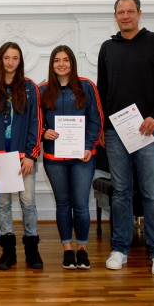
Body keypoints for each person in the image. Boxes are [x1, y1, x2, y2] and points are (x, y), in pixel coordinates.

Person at [97, 0, 154, 276]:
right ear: (115, 15)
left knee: (152, 194)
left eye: (130, 11)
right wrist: (101, 127)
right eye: (120, 12)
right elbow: (102, 91)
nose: (125, 16)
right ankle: (120, 248)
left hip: (148, 132)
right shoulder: (108, 47)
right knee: (120, 193)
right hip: (116, 134)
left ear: (139, 14)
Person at [39, 45, 103, 270]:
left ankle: (82, 250)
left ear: (72, 63)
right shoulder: (43, 89)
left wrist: (88, 146)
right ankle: (67, 250)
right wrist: (43, 132)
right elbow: (35, 122)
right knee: (63, 204)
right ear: (52, 64)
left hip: (82, 157)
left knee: (81, 204)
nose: (61, 64)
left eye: (65, 60)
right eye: (57, 60)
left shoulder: (86, 86)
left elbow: (96, 119)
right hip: (53, 157)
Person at [0, 41, 43, 270]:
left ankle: (32, 248)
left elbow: (36, 122)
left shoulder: (30, 87)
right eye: (6, 58)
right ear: (1, 60)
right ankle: (8, 251)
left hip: (22, 158)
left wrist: (31, 155)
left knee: (28, 202)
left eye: (15, 58)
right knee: (3, 203)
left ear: (20, 61)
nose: (10, 62)